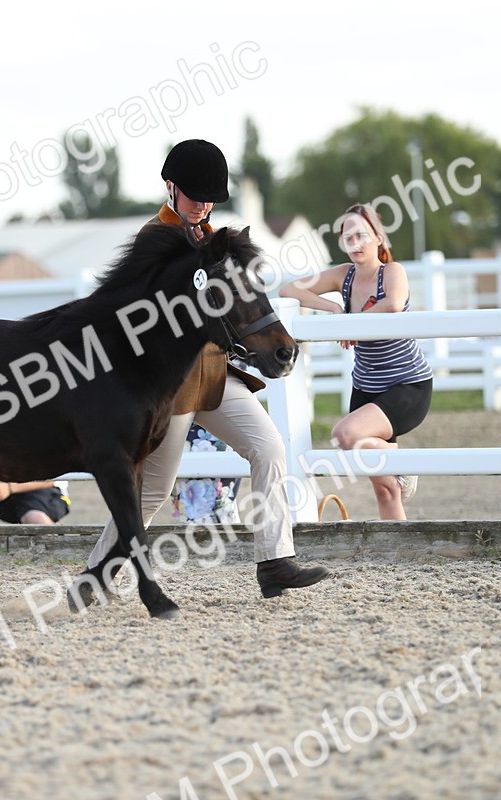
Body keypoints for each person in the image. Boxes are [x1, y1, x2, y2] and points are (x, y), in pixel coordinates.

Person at [80, 139, 328, 599]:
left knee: (269, 447)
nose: (204, 205)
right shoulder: (154, 240)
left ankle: (275, 561)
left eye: (211, 198)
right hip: (172, 387)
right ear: (171, 188)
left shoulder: (218, 241)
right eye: (195, 196)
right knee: (153, 492)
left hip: (216, 375)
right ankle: (95, 576)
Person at [278, 202, 433, 520]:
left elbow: (393, 304)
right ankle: (398, 552)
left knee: (346, 436)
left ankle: (395, 455)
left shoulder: (392, 272)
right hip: (365, 388)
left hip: (407, 386)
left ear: (378, 237)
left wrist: (352, 321)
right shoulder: (342, 276)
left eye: (361, 235)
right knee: (385, 487)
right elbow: (288, 289)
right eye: (347, 237)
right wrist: (333, 309)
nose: (355, 243)